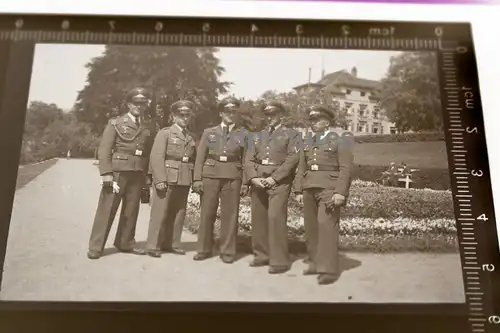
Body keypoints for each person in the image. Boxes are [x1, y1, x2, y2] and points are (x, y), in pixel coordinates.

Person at [87, 87, 153, 260]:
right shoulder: (115, 123)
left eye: (143, 103)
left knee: (131, 210)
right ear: (129, 104)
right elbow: (104, 150)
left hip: (137, 172)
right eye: (136, 103)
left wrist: (147, 176)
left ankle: (125, 242)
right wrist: (106, 173)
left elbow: (148, 152)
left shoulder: (147, 126)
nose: (140, 106)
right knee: (107, 208)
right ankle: (96, 247)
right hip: (117, 173)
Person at [293, 105, 354, 285]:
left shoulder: (341, 140)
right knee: (311, 228)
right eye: (311, 120)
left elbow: (346, 168)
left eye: (316, 120)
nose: (312, 123)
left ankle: (328, 269)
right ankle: (314, 263)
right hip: (309, 187)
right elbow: (301, 168)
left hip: (329, 187)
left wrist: (340, 192)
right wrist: (298, 190)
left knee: (326, 227)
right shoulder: (308, 142)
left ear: (326, 122)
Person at [243, 101, 300, 274]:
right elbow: (249, 159)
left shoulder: (292, 134)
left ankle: (279, 260)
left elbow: (292, 159)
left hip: (279, 182)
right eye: (267, 115)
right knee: (258, 219)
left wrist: (275, 179)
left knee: (275, 218)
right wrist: (253, 178)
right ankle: (262, 255)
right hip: (259, 180)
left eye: (273, 114)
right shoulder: (257, 136)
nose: (270, 118)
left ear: (281, 115)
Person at [192, 96, 248, 264]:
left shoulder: (244, 134)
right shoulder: (209, 132)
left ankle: (227, 251)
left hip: (233, 176)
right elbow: (200, 157)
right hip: (211, 175)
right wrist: (197, 179)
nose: (231, 114)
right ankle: (203, 249)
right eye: (227, 111)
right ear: (221, 113)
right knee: (207, 213)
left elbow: (247, 160)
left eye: (234, 111)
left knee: (230, 215)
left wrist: (245, 182)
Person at [145, 100, 197, 258]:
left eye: (188, 115)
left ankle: (173, 243)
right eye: (181, 115)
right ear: (174, 116)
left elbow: (192, 159)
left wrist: (194, 179)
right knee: (160, 212)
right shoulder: (165, 133)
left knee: (179, 213)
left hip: (184, 178)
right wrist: (159, 179)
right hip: (167, 177)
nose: (185, 118)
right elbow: (156, 156)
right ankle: (153, 244)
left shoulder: (191, 136)